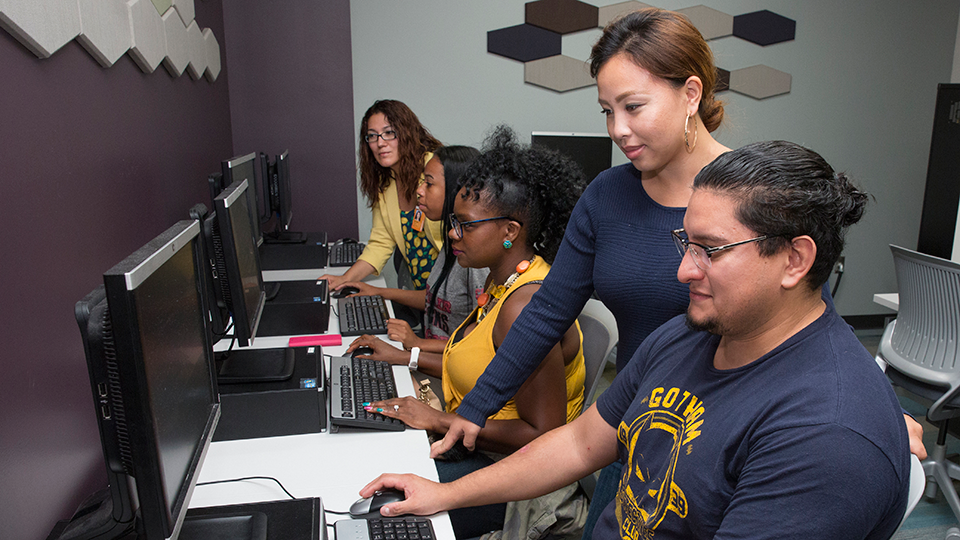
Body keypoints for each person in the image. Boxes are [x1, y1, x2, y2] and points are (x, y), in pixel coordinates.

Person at [433, 10, 926, 538]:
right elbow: (550, 311)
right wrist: (476, 409)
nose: (617, 128)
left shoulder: (752, 199)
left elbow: (808, 315)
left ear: (691, 94)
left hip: (733, 433)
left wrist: (871, 408)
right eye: (607, 110)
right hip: (644, 415)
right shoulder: (612, 202)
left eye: (634, 106)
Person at [360, 140, 912, 540]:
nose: (683, 272)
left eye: (710, 250)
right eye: (685, 242)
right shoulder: (686, 336)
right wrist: (443, 493)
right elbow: (579, 444)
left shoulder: (828, 435)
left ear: (795, 259)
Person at [358, 127, 589, 539]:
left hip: (517, 483)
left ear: (510, 231)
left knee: (381, 509)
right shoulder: (501, 284)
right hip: (482, 454)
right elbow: (478, 356)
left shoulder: (524, 307)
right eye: (453, 223)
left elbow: (544, 437)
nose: (452, 234)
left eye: (464, 225)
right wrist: (406, 357)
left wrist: (439, 419)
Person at [340, 145, 487, 361]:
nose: (419, 190)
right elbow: (435, 300)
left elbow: (480, 343)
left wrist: (416, 346)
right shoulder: (451, 241)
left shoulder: (476, 261)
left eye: (429, 183)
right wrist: (379, 292)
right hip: (433, 357)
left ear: (457, 191)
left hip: (450, 369)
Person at [320, 100, 443, 295]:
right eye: (372, 136)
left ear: (407, 132)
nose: (380, 143)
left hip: (455, 292)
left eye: (389, 133)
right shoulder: (385, 183)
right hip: (424, 295)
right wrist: (344, 279)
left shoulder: (434, 170)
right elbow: (381, 242)